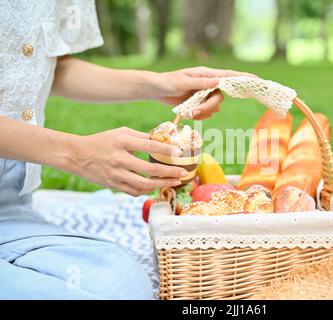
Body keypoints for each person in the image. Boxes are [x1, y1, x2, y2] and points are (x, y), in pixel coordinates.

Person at [0, 0, 248, 299]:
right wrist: (75, 153)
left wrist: (156, 84)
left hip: (9, 209)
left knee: (123, 286)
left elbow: (51, 66)